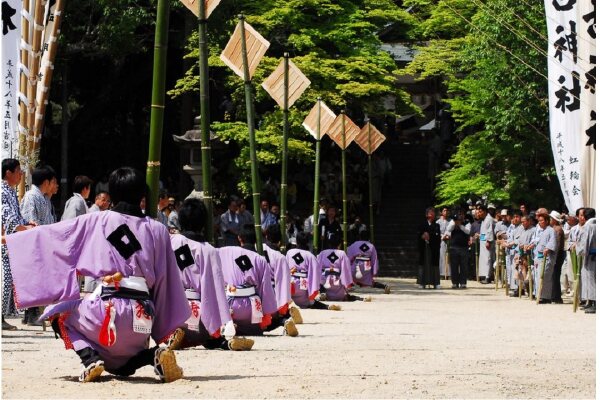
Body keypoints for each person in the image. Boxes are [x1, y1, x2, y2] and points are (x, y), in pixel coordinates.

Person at [4, 167, 189, 383]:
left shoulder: (97, 220)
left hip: (107, 313)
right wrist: (161, 326)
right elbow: (167, 283)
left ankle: (89, 358)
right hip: (143, 318)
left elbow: (54, 237)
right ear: (143, 195)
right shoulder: (158, 230)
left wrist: (14, 240)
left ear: (111, 194)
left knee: (56, 312)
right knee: (123, 367)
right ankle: (152, 355)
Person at [167, 198, 254, 351]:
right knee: (211, 337)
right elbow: (214, 291)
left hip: (172, 311)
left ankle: (176, 336)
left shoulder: (169, 242)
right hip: (199, 315)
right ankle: (220, 341)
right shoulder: (209, 251)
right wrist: (223, 322)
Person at [217, 225, 282, 336]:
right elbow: (265, 290)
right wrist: (270, 312)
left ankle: (230, 327)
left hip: (228, 305)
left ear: (239, 238)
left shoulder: (223, 251)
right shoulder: (260, 259)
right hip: (251, 308)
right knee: (256, 330)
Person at [20, 165, 58, 325]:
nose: (54, 185)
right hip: (34, 243)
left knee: (39, 279)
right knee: (34, 279)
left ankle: (31, 313)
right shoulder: (31, 197)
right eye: (53, 181)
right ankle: (32, 314)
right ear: (46, 182)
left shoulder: (44, 198)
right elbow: (31, 222)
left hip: (44, 242)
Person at [1, 159, 35, 330]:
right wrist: (23, 227)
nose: (21, 174)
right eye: (18, 171)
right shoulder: (2, 191)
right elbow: (7, 217)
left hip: (13, 242)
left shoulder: (11, 191)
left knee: (9, 279)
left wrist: (27, 223)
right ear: (8, 173)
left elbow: (16, 215)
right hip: (4, 242)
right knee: (4, 280)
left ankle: (1, 316)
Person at [286, 232, 340, 310]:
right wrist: (323, 281)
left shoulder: (289, 252)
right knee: (311, 302)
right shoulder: (310, 256)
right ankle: (325, 306)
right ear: (307, 242)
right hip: (303, 286)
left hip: (289, 285)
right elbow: (317, 274)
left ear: (296, 241)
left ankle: (291, 303)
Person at [262, 224, 301, 332]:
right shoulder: (279, 256)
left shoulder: (256, 249)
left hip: (251, 293)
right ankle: (283, 319)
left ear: (266, 236)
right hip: (271, 294)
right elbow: (283, 284)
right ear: (280, 241)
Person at [317, 234, 368, 301]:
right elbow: (346, 270)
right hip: (338, 283)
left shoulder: (322, 253)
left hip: (324, 283)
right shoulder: (342, 253)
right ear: (339, 244)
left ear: (328, 243)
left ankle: (322, 293)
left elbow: (317, 269)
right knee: (344, 290)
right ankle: (350, 297)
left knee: (319, 277)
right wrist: (347, 285)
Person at [443, 208, 471, 289]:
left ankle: (463, 283)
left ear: (464, 215)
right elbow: (448, 229)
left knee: (463, 266)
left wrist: (460, 225)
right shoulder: (453, 221)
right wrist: (454, 223)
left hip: (464, 247)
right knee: (454, 266)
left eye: (462, 214)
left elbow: (468, 231)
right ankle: (454, 283)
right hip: (454, 247)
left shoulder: (467, 222)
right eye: (459, 214)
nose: (460, 216)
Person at [533, 213, 557, 303]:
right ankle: (539, 295)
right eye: (539, 221)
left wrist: (548, 248)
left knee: (545, 277)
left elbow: (552, 242)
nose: (540, 223)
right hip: (539, 257)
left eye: (541, 221)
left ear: (547, 221)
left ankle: (546, 297)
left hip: (547, 257)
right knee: (539, 277)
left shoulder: (551, 230)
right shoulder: (542, 231)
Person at [577, 208, 596, 313]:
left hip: (591, 256)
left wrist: (580, 251)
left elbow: (585, 243)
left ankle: (595, 303)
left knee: (592, 280)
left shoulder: (589, 226)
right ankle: (591, 302)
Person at [418, 207, 441, 289]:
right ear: (426, 214)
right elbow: (419, 234)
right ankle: (422, 282)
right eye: (429, 212)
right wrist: (422, 236)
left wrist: (429, 236)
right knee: (423, 264)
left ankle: (436, 283)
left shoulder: (437, 225)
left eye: (433, 212)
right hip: (424, 247)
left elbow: (437, 236)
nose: (431, 214)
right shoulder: (422, 224)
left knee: (434, 264)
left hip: (433, 247)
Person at [549, 211, 565, 303]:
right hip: (555, 253)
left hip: (557, 254)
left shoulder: (558, 229)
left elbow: (557, 244)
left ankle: (556, 296)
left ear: (555, 220)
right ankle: (554, 295)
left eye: (551, 219)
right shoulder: (553, 228)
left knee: (555, 275)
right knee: (553, 275)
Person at [477, 204, 496, 283]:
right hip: (483, 242)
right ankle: (484, 275)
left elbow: (490, 232)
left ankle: (488, 277)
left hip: (488, 242)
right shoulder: (484, 220)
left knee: (488, 258)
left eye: (480, 211)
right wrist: (479, 236)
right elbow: (484, 233)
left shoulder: (489, 219)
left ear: (484, 211)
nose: (479, 213)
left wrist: (488, 241)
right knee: (484, 259)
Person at [437, 207, 450, 279]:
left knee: (449, 257)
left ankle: (449, 273)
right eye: (444, 210)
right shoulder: (438, 222)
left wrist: (449, 236)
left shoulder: (451, 221)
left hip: (449, 241)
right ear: (441, 212)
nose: (446, 212)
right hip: (441, 241)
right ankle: (442, 273)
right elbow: (436, 232)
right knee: (442, 256)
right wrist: (442, 236)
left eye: (447, 210)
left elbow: (452, 230)